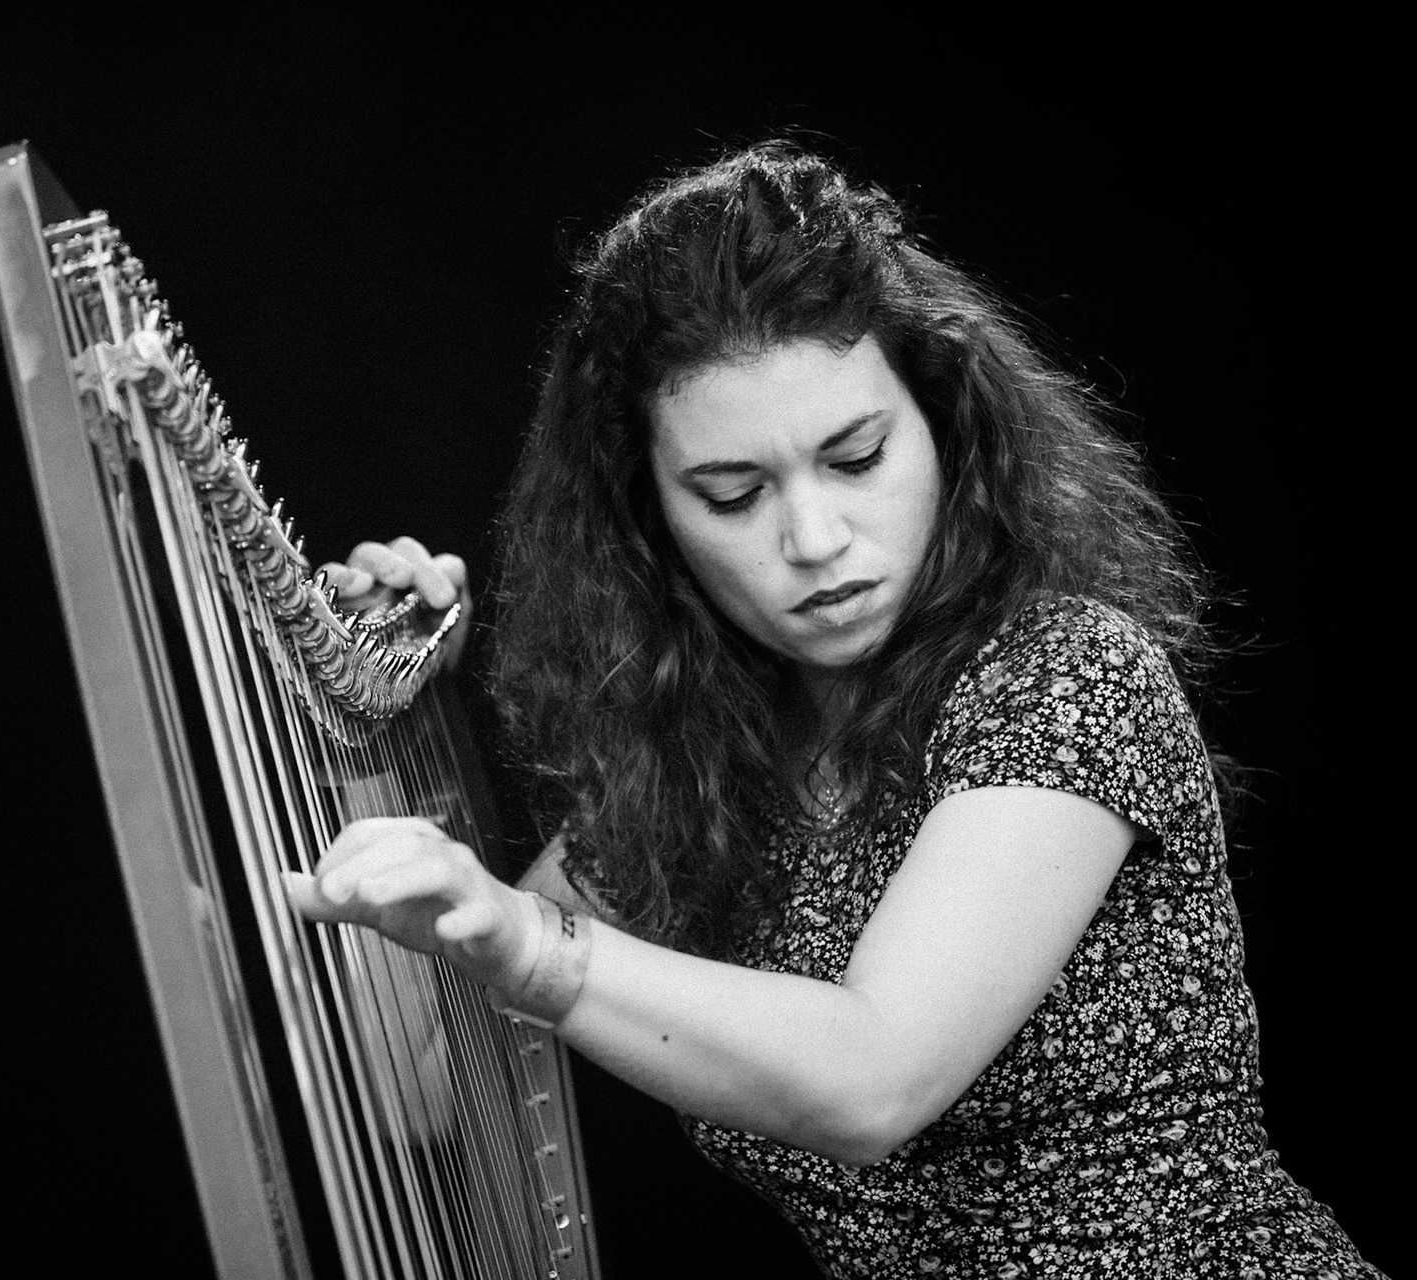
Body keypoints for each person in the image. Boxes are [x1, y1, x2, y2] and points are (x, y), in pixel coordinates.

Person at [285, 141, 1379, 1278]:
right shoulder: (704, 778)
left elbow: (875, 1078)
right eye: (734, 493)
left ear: (945, 425)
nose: (813, 539)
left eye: (855, 457)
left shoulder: (1067, 676)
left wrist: (527, 943)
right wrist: (372, 731)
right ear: (648, 520)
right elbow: (421, 1088)